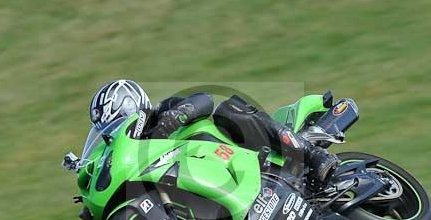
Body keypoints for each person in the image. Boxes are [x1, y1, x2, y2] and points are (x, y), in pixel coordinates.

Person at [89, 79, 339, 186]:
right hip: (211, 176)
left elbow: (203, 100)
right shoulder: (136, 160)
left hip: (236, 149)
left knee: (228, 111)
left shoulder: (161, 111)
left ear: (132, 105)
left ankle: (314, 155)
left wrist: (172, 119)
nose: (117, 130)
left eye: (118, 121)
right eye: (110, 128)